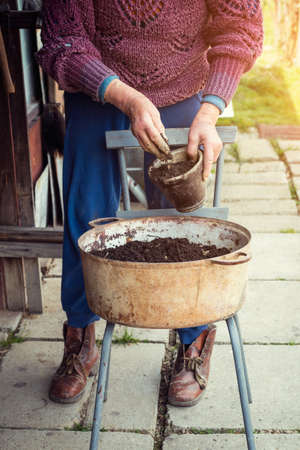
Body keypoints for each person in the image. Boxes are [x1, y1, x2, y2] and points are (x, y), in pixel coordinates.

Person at [37, 0, 263, 406]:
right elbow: (63, 39)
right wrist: (127, 97)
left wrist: (210, 112)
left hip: (184, 86)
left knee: (186, 223)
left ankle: (194, 340)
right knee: (85, 213)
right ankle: (79, 339)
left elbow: (240, 28)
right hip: (98, 87)